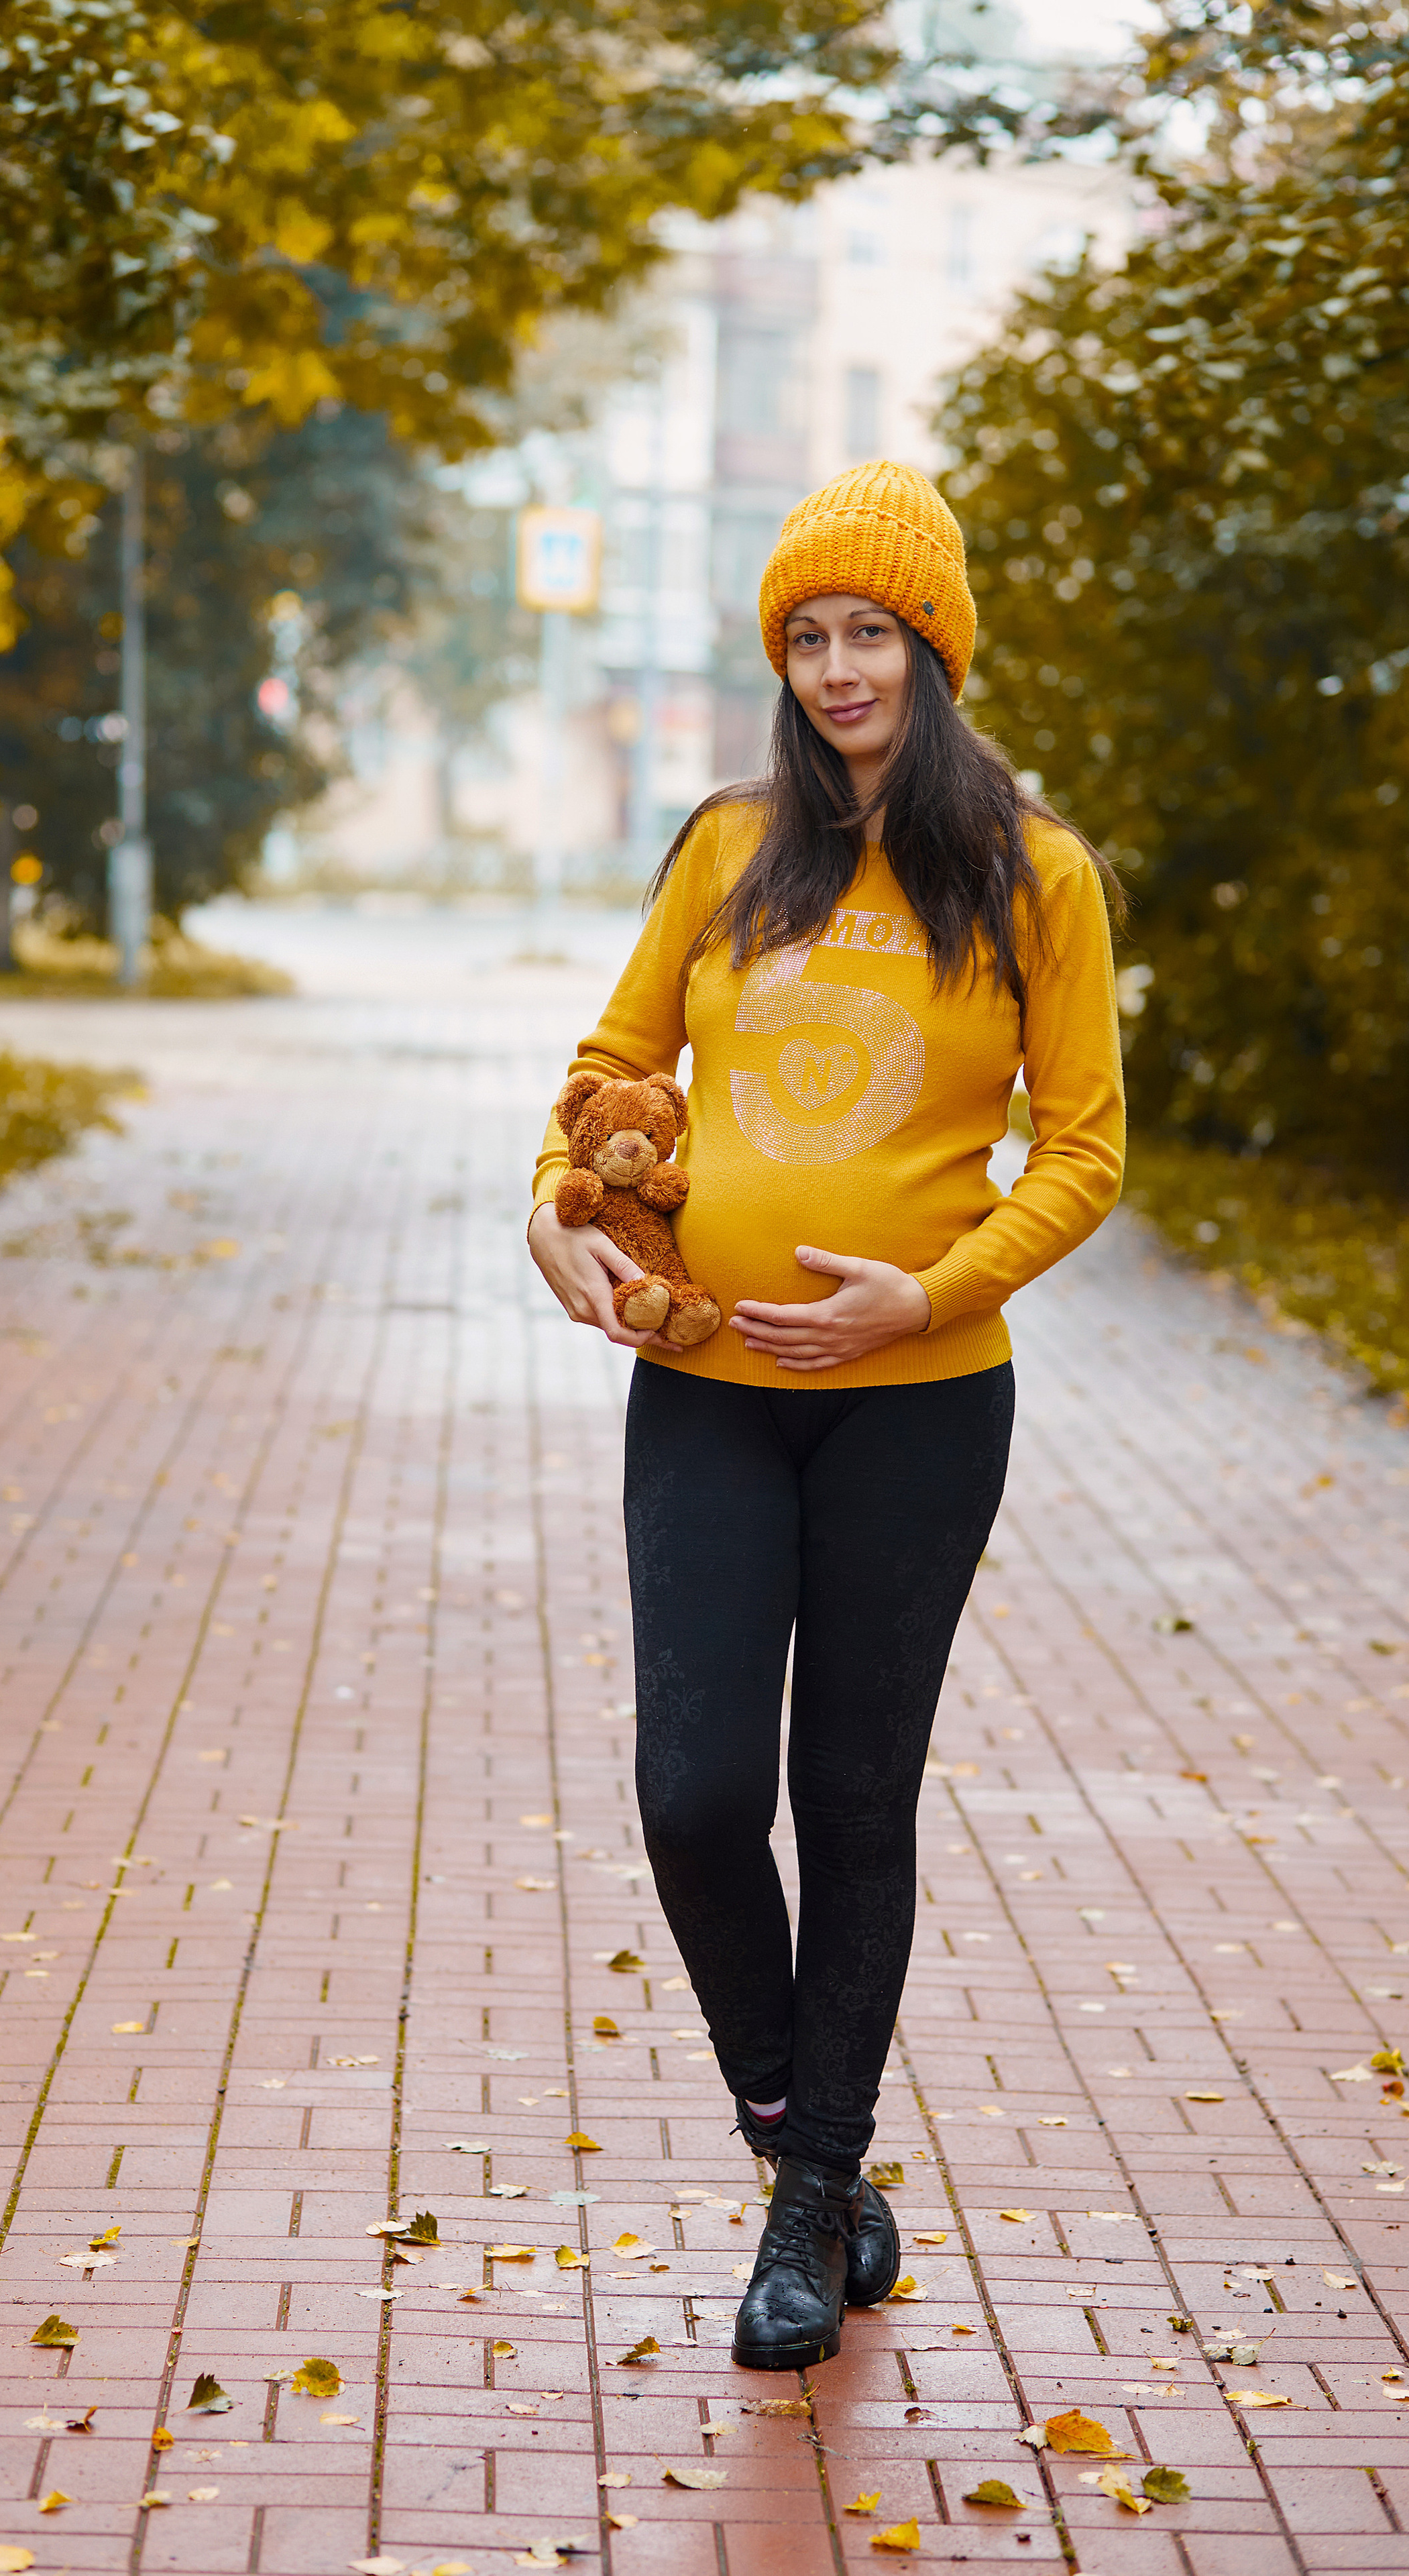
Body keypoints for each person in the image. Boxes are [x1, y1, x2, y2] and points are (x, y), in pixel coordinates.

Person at [527, 460, 1125, 2371]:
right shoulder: (727, 847)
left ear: (932, 646)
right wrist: (556, 1213)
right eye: (809, 635)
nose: (840, 666)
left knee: (851, 1796)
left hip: (919, 1409)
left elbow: (1088, 1152)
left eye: (872, 631)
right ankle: (816, 2136)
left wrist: (933, 1291)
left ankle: (805, 2205)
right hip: (700, 1387)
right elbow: (614, 1065)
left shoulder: (1035, 871)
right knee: (694, 1796)